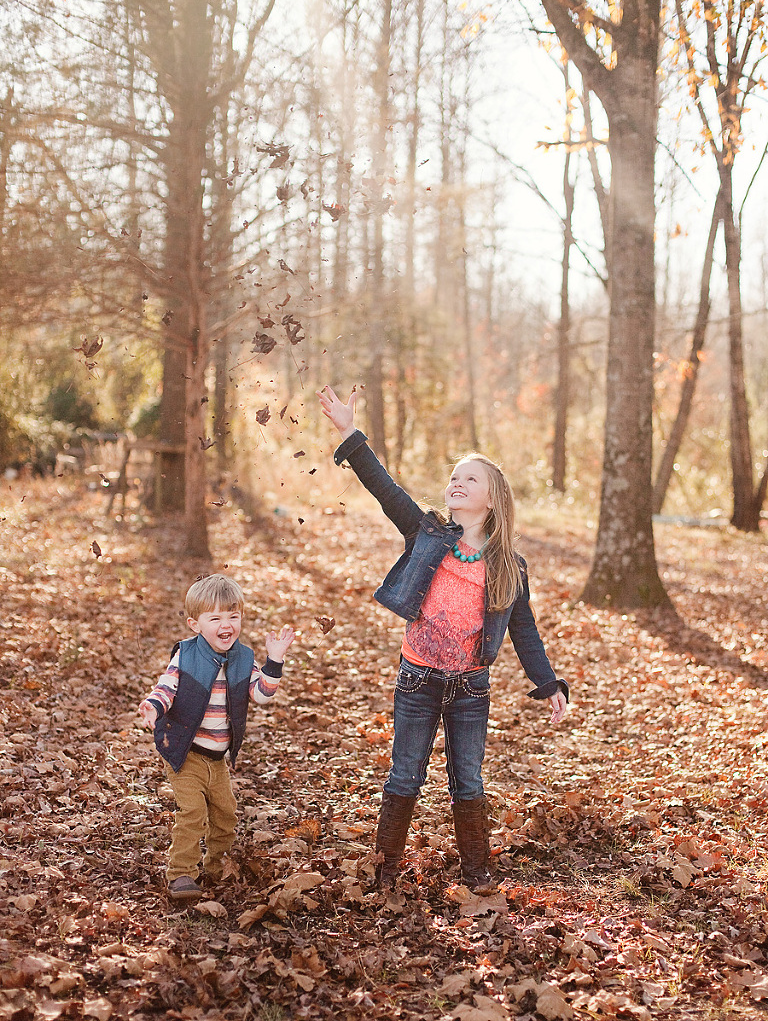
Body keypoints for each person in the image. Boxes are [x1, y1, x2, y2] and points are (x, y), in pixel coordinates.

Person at [317, 385, 568, 892]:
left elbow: (524, 630)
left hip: (472, 689)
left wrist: (548, 683)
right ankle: (386, 866)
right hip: (418, 680)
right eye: (453, 476)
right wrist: (349, 432)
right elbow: (385, 489)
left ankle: (476, 871)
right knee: (405, 773)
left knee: (468, 780)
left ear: (493, 498)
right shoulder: (425, 533)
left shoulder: (508, 566)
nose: (456, 482)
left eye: (469, 478)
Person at [139, 574, 295, 901]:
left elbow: (261, 694)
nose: (227, 624)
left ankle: (215, 865)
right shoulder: (185, 655)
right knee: (193, 813)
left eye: (233, 616)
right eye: (216, 618)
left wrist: (275, 659)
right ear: (196, 625)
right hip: (185, 753)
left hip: (218, 759)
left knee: (225, 816)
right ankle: (181, 874)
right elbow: (166, 688)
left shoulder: (243, 658)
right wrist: (154, 706)